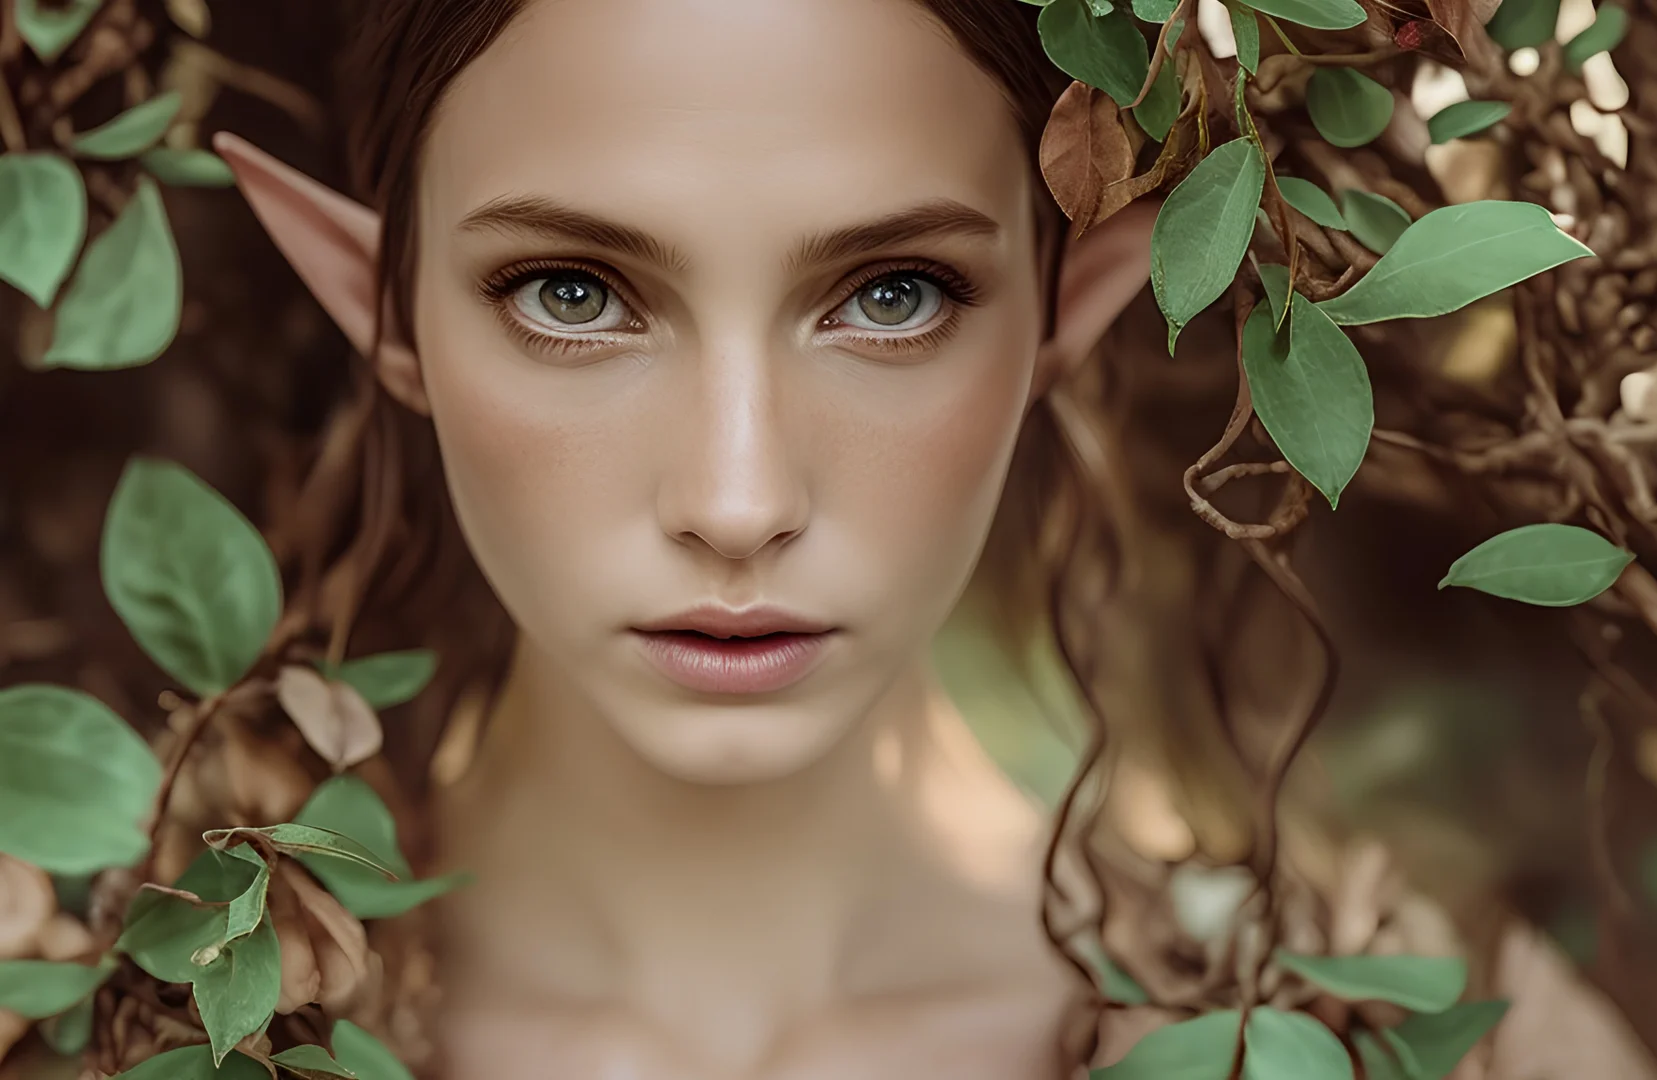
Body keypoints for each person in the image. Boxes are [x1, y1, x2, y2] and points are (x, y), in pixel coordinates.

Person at [215, 0, 1175, 1076]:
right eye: (572, 295)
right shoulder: (128, 1031)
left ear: (1068, 308)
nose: (737, 506)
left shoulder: (1252, 1030)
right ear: (385, 309)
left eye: (893, 296)